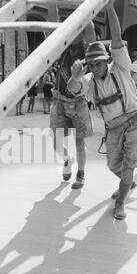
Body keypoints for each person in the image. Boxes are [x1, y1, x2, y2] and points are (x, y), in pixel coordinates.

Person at [68, 0, 137, 220]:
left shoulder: (120, 65)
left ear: (106, 60)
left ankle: (120, 202)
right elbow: (73, 88)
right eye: (91, 65)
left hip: (133, 122)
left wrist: (110, 8)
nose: (94, 68)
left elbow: (115, 36)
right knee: (114, 165)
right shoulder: (90, 80)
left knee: (129, 164)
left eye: (98, 63)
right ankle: (127, 183)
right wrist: (75, 77)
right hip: (112, 128)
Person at [50, 21, 95, 190]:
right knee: (56, 142)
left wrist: (84, 11)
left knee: (79, 143)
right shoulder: (63, 48)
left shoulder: (87, 51)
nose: (71, 33)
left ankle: (81, 174)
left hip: (78, 103)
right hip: (60, 101)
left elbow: (90, 29)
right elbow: (54, 22)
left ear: (82, 33)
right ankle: (67, 160)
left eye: (76, 30)